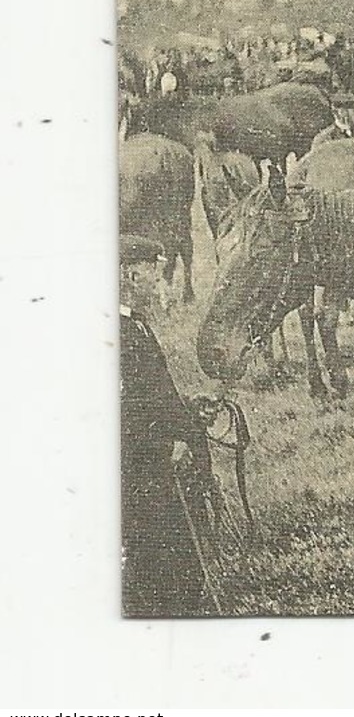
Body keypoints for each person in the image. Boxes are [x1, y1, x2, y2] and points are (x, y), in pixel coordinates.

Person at [120, 235, 212, 616]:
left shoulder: (137, 327)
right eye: (155, 277)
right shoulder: (118, 335)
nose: (160, 286)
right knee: (155, 575)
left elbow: (155, 397)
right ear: (130, 274)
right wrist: (167, 443)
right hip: (141, 477)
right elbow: (125, 415)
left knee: (179, 568)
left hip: (155, 470)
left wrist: (190, 412)